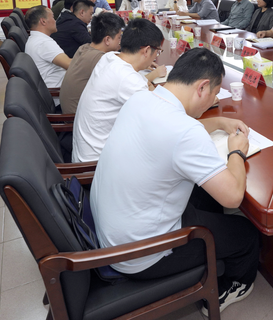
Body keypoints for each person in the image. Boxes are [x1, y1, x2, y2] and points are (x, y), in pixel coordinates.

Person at [91, 48, 260, 314]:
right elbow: (233, 197)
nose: (214, 99)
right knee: (247, 234)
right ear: (202, 87)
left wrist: (217, 122)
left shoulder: (141, 99)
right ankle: (232, 286)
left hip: (115, 229)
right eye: (215, 93)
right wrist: (236, 151)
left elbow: (174, 132)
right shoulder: (185, 131)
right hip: (141, 255)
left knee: (202, 193)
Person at [72, 19, 167, 162]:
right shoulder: (127, 80)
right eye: (157, 52)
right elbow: (160, 118)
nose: (156, 57)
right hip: (96, 164)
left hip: (86, 152)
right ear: (147, 50)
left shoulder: (109, 57)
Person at [59, 12, 125, 115]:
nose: (120, 42)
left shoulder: (84, 48)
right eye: (119, 38)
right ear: (107, 40)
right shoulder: (100, 59)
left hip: (73, 110)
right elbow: (124, 83)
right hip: (77, 116)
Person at [24, 5, 71, 87]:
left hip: (54, 84)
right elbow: (70, 65)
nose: (55, 21)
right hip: (59, 89)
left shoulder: (34, 38)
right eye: (52, 17)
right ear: (43, 21)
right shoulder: (44, 43)